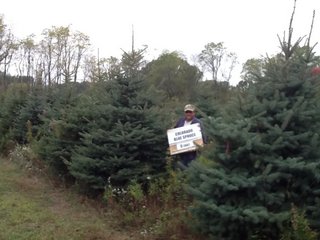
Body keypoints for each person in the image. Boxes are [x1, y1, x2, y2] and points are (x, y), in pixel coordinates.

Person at [174, 104, 206, 168]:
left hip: (193, 154)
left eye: (190, 112)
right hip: (181, 153)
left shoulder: (198, 123)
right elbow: (174, 134)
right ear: (184, 113)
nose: (188, 114)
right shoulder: (180, 121)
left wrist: (197, 147)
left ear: (194, 113)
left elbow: (203, 138)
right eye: (187, 112)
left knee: (191, 168)